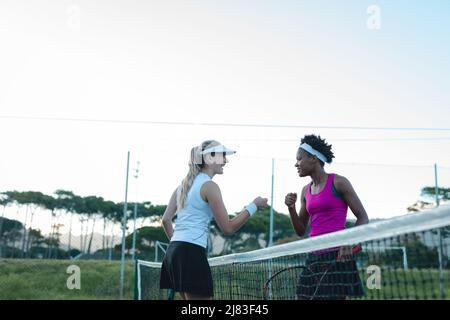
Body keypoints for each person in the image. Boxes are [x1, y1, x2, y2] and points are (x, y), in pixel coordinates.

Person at [160, 140, 268, 300]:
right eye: (222, 155)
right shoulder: (210, 186)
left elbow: (165, 220)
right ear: (210, 158)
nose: (226, 160)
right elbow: (228, 228)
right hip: (190, 253)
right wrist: (253, 206)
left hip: (174, 253)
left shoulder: (182, 186)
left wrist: (179, 246)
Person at [285, 134, 369, 300]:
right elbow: (301, 230)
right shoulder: (305, 190)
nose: (296, 164)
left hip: (337, 256)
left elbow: (363, 217)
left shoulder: (339, 182)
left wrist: (348, 242)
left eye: (299, 159)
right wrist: (291, 208)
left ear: (313, 158)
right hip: (314, 256)